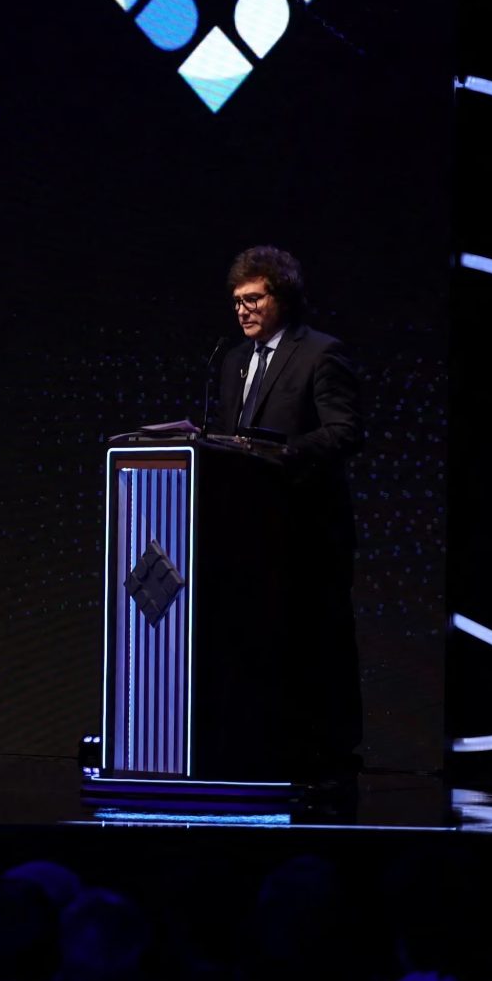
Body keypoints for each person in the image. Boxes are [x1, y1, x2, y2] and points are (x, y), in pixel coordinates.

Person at [202, 245, 362, 782]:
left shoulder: (320, 352)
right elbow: (228, 441)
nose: (243, 310)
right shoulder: (231, 362)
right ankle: (266, 749)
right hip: (251, 535)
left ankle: (332, 758)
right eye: (237, 302)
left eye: (254, 299)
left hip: (309, 529)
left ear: (282, 297)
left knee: (318, 642)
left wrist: (283, 453)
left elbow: (345, 431)